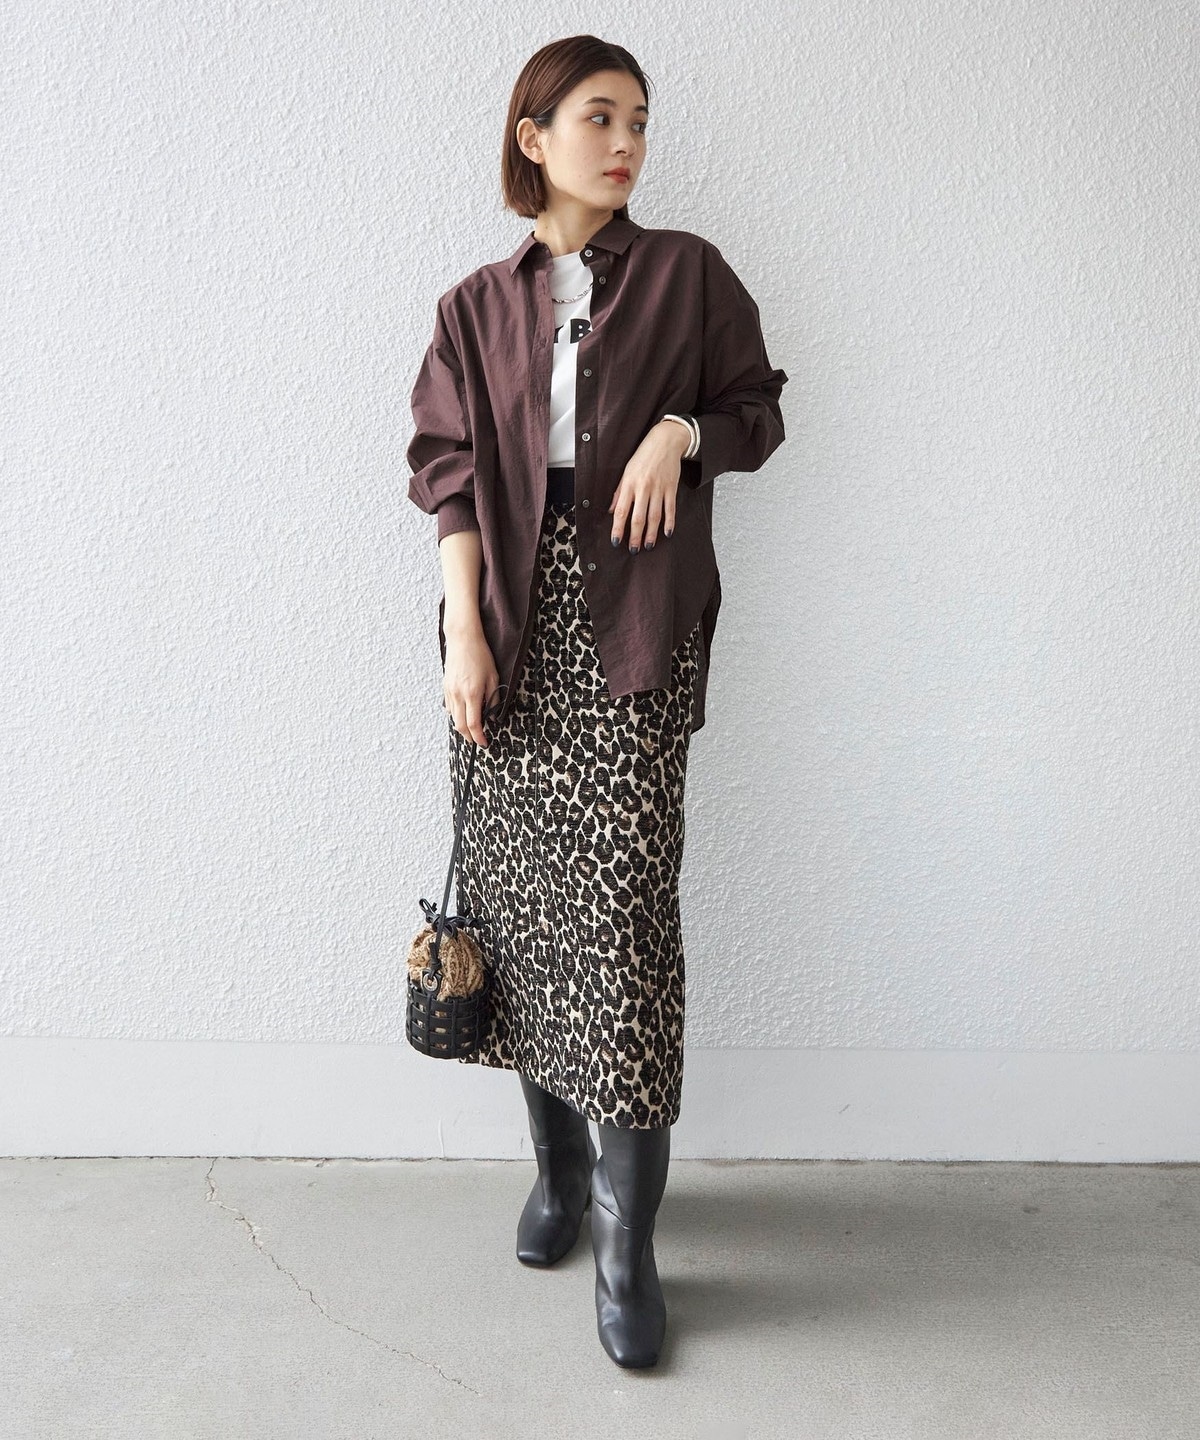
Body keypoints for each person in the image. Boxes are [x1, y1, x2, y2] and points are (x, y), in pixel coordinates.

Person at [406, 34, 787, 1369]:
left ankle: (628, 1245)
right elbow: (447, 474)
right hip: (507, 631)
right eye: (598, 117)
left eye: (638, 120)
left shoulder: (687, 275)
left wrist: (682, 435)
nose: (626, 142)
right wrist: (463, 633)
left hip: (636, 623)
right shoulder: (474, 306)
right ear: (534, 136)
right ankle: (559, 1177)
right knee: (525, 912)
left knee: (622, 928)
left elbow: (757, 410)